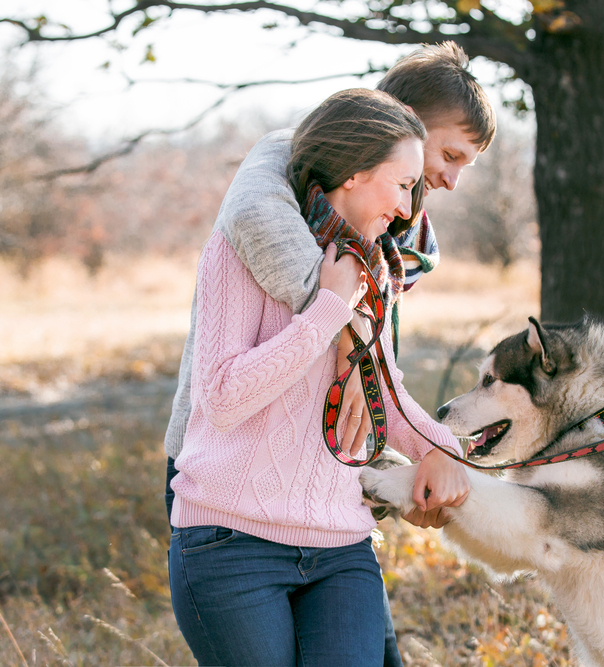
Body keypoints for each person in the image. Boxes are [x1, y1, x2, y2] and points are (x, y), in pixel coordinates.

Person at [163, 41, 496, 666]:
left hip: (331, 517)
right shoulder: (270, 184)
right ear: (391, 132)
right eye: (447, 155)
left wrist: (450, 457)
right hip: (227, 501)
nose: (446, 181)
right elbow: (231, 393)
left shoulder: (386, 249)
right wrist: (334, 311)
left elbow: (383, 388)